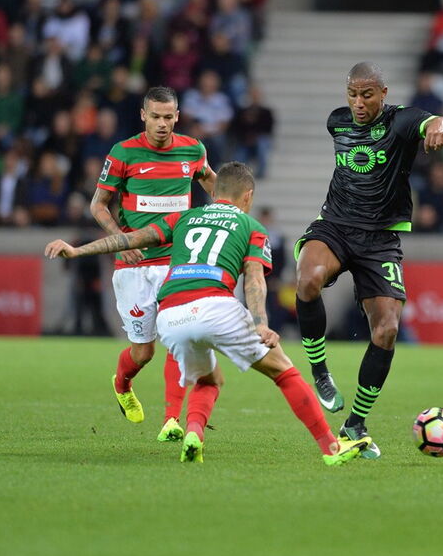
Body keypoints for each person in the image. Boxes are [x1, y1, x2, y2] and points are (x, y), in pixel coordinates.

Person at [45, 162, 368, 466]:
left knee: (209, 378)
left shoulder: (184, 218)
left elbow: (130, 239)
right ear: (248, 197)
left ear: (214, 193)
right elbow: (254, 278)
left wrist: (77, 249)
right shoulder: (252, 227)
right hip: (216, 306)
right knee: (284, 372)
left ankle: (194, 434)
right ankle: (332, 447)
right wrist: (261, 323)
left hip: (170, 315)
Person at [294, 62, 443, 459]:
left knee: (387, 330)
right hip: (335, 226)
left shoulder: (404, 122)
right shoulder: (336, 122)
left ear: (383, 93)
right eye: (353, 94)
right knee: (307, 280)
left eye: (367, 95)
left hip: (381, 240)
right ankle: (320, 372)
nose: (358, 103)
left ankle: (355, 423)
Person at [90, 86, 216, 444]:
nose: (162, 124)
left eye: (169, 117)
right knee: (143, 351)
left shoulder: (193, 150)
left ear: (177, 116)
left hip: (177, 262)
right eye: (156, 117)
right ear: (143, 116)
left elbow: (211, 182)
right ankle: (122, 382)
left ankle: (171, 420)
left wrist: (228, 207)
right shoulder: (123, 153)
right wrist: (121, 240)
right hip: (133, 266)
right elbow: (98, 205)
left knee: (178, 336)